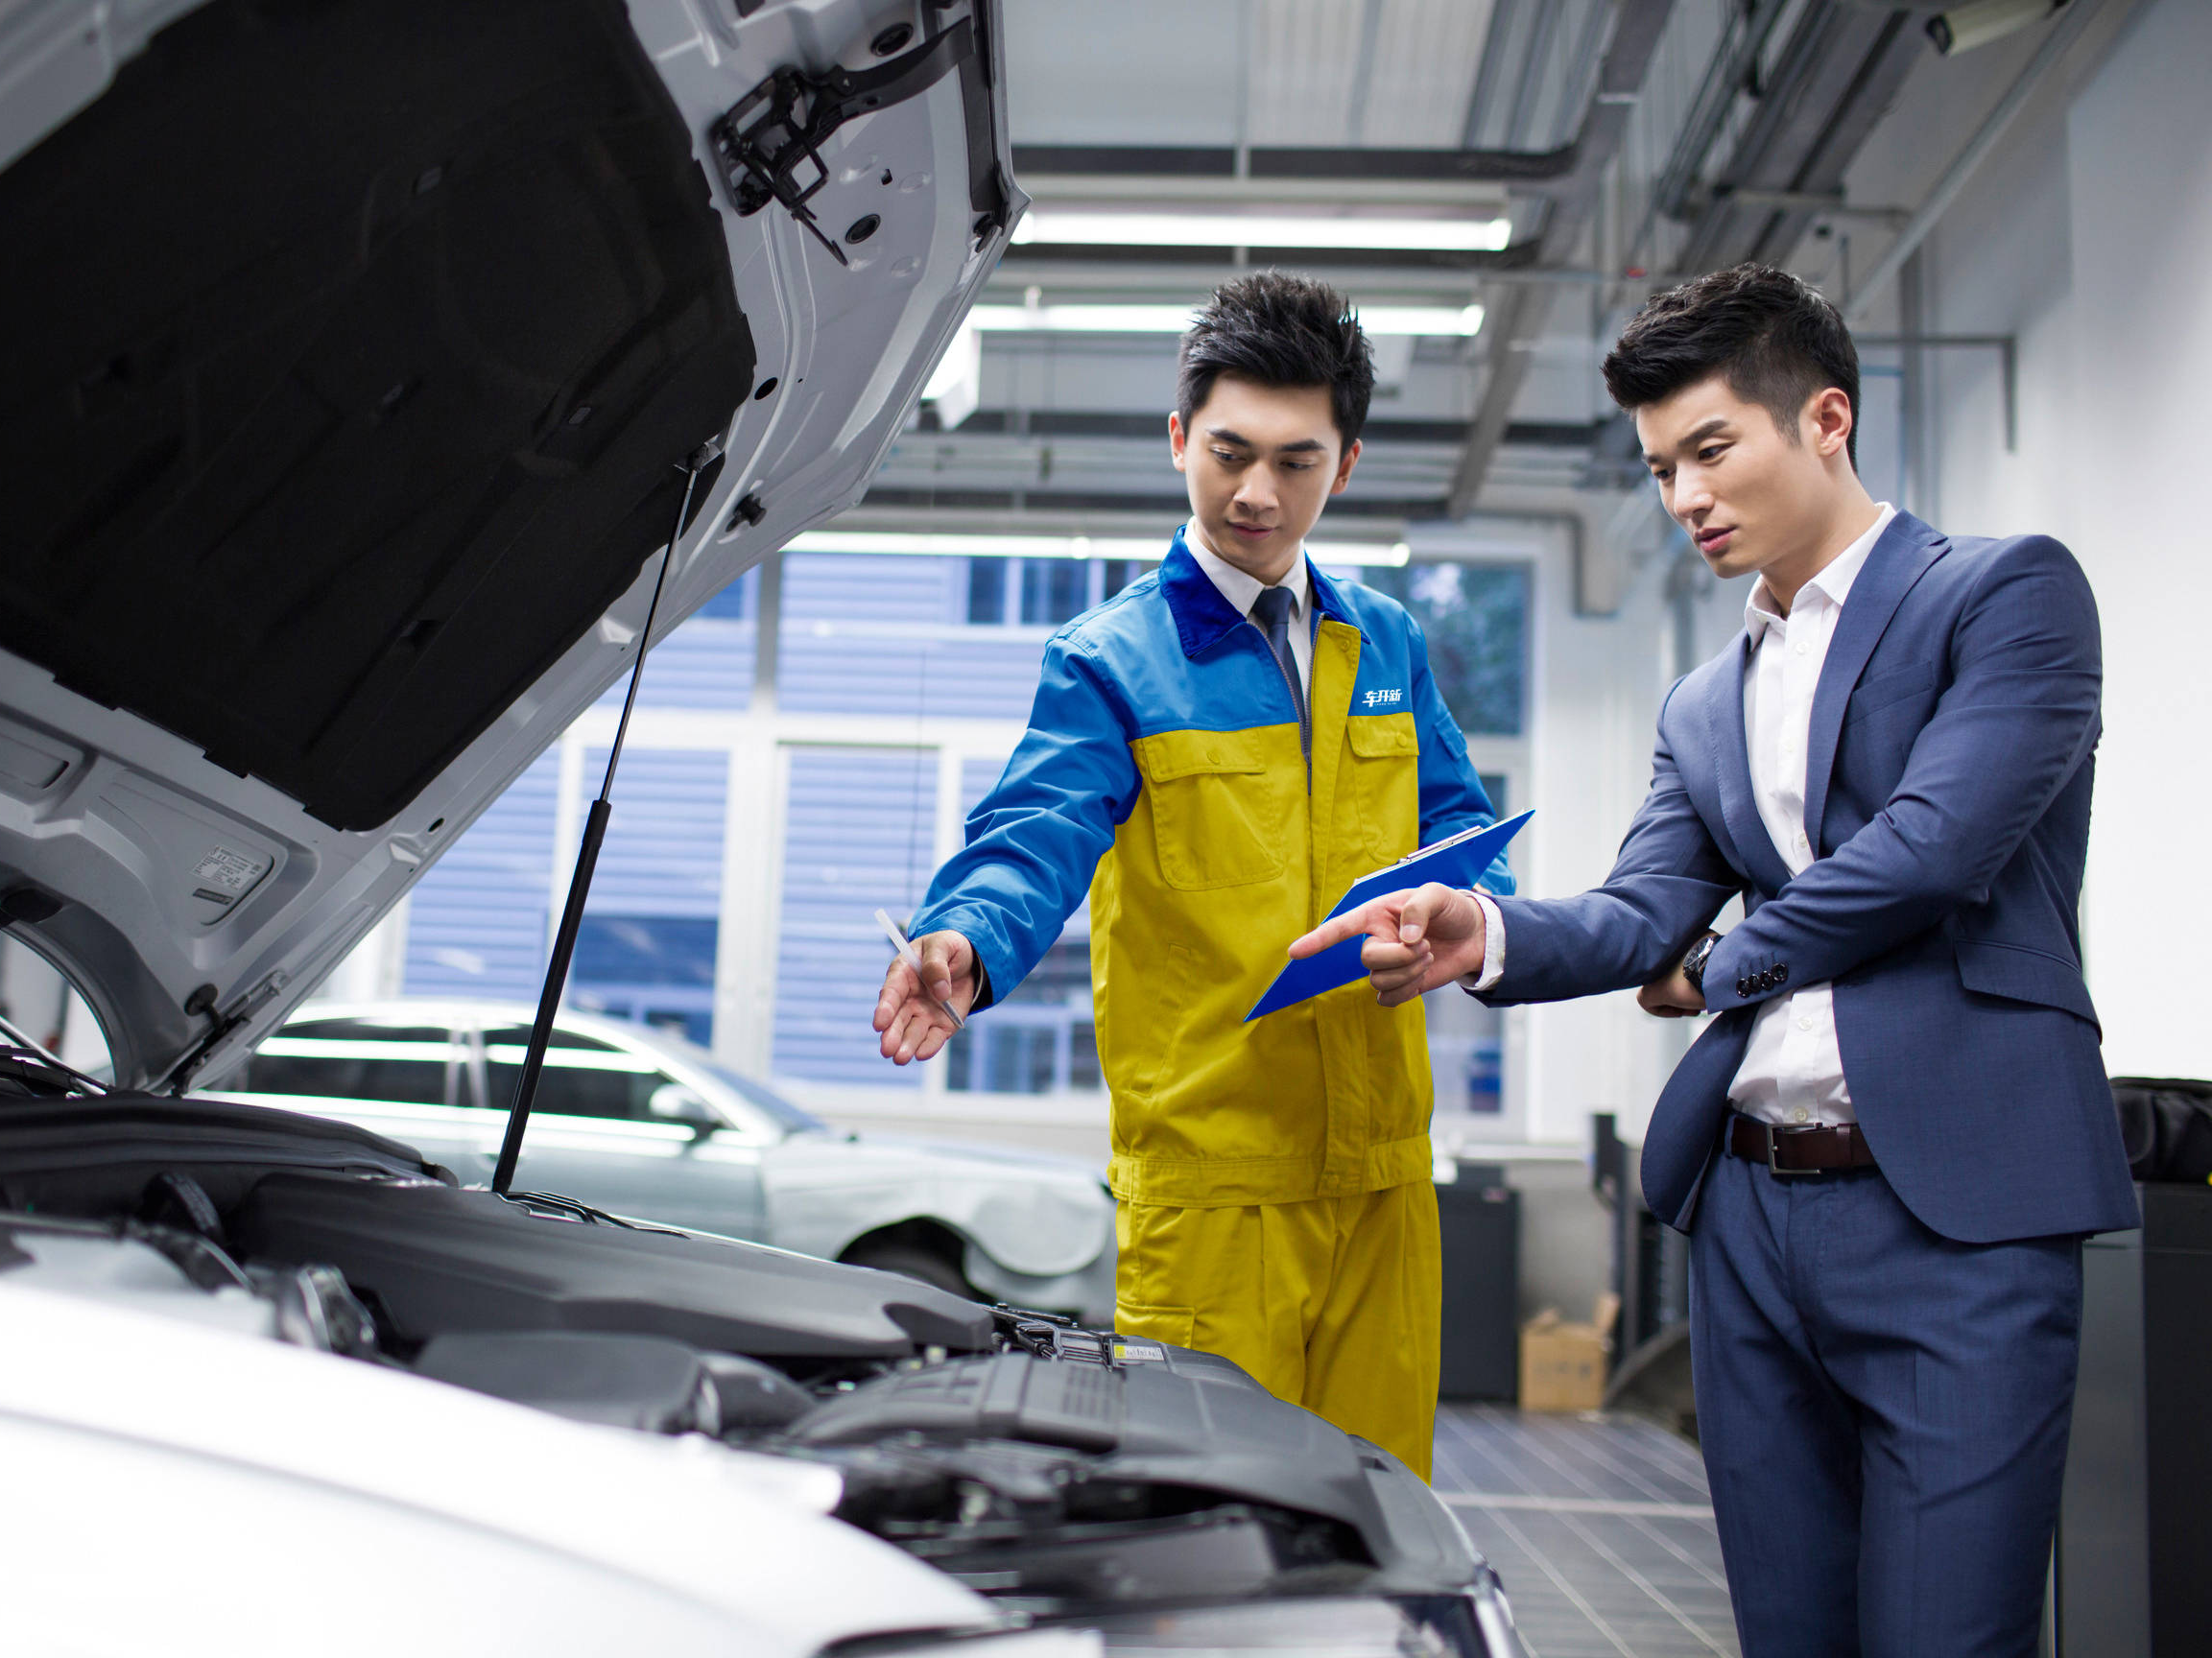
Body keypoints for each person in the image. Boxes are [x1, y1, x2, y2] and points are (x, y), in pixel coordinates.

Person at [1293, 263, 2135, 1656]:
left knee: (1946, 1637)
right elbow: (1640, 911)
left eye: (1709, 450)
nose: (1683, 496)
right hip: (1753, 1221)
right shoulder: (1703, 700)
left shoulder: (2006, 596)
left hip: (1960, 1220)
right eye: (1659, 468)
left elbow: (1932, 849)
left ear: (1825, 419)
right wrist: (1483, 932)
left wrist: (1731, 966)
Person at [868, 272, 1510, 1478]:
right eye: (1228, 452)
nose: (1257, 494)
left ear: (1346, 464)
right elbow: (1034, 829)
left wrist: (1466, 913)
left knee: (1382, 1520)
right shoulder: (1110, 662)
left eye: (1297, 460)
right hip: (1212, 1194)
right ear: (1178, 440)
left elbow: (1461, 823)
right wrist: (964, 935)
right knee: (1207, 1532)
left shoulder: (1387, 642)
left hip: (1383, 1177)